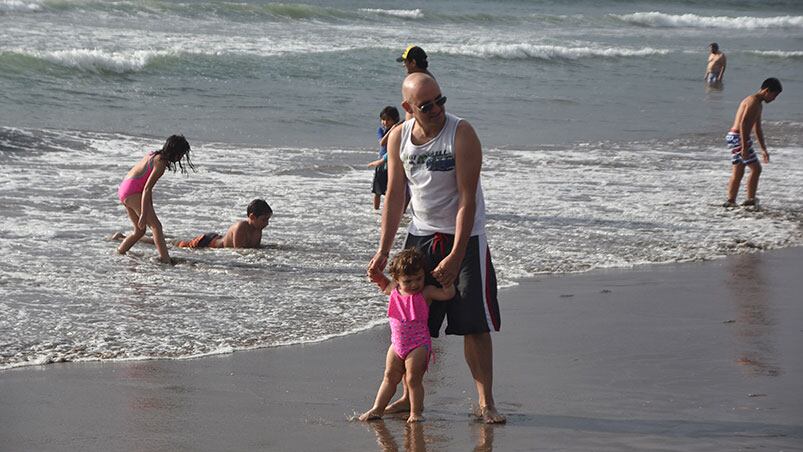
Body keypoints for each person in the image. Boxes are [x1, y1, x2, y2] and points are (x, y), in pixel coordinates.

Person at [367, 73, 506, 424]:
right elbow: (396, 195)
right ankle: (406, 397)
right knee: (413, 321)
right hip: (420, 235)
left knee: (473, 324)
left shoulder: (462, 134)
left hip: (465, 237)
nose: (436, 110)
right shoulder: (399, 137)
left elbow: (467, 198)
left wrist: (458, 253)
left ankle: (485, 402)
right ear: (408, 107)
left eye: (440, 100)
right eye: (426, 105)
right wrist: (384, 250)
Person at [359, 248, 455, 423]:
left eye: (419, 278)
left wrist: (447, 282)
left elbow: (447, 294)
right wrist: (376, 273)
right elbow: (382, 283)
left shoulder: (426, 292)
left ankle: (416, 412)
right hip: (396, 345)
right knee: (389, 376)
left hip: (418, 345)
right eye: (408, 281)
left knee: (412, 379)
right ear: (397, 280)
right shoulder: (393, 289)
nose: (414, 284)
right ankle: (377, 409)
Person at [116, 134, 194, 263]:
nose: (181, 158)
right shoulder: (161, 163)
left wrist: (147, 208)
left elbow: (145, 187)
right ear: (175, 152)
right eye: (181, 154)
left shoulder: (153, 155)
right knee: (156, 226)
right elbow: (147, 188)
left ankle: (120, 251)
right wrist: (144, 214)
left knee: (139, 231)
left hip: (124, 190)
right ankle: (165, 259)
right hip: (133, 192)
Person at [113, 199, 272, 249]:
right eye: (264, 219)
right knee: (173, 244)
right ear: (252, 216)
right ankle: (123, 237)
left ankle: (131, 237)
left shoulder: (258, 229)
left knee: (171, 242)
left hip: (213, 240)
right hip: (206, 242)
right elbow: (239, 251)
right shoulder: (242, 226)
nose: (266, 223)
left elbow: (254, 249)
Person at [723, 77, 782, 208]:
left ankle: (731, 201)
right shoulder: (753, 101)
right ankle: (750, 200)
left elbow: (757, 128)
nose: (774, 99)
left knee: (739, 169)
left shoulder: (758, 104)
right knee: (756, 168)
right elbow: (743, 124)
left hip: (735, 137)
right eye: (774, 95)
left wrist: (763, 149)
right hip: (738, 137)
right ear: (767, 91)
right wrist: (744, 147)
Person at [369, 106, 401, 210]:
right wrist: (391, 130)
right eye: (383, 119)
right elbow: (382, 143)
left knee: (390, 189)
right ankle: (376, 211)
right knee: (377, 190)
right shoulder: (381, 130)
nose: (385, 122)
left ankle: (389, 210)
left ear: (394, 120)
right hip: (381, 163)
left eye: (388, 120)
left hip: (394, 163)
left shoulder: (399, 130)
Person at [396, 45, 433, 121]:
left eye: (405, 62)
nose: (403, 65)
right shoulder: (427, 79)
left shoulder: (420, 83)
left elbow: (423, 114)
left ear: (413, 62)